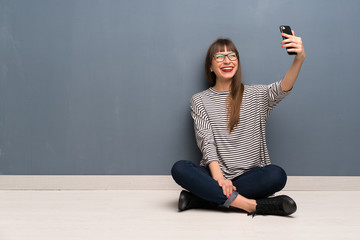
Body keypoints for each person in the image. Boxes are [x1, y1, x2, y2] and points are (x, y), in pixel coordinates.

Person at [171, 30, 305, 216]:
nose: (227, 60)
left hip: (250, 177)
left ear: (238, 61)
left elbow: (283, 88)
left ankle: (200, 199)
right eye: (219, 56)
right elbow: (206, 142)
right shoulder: (199, 100)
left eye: (232, 55)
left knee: (277, 175)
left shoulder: (256, 95)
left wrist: (299, 58)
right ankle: (251, 205)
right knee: (180, 168)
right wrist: (220, 179)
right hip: (214, 176)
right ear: (210, 66)